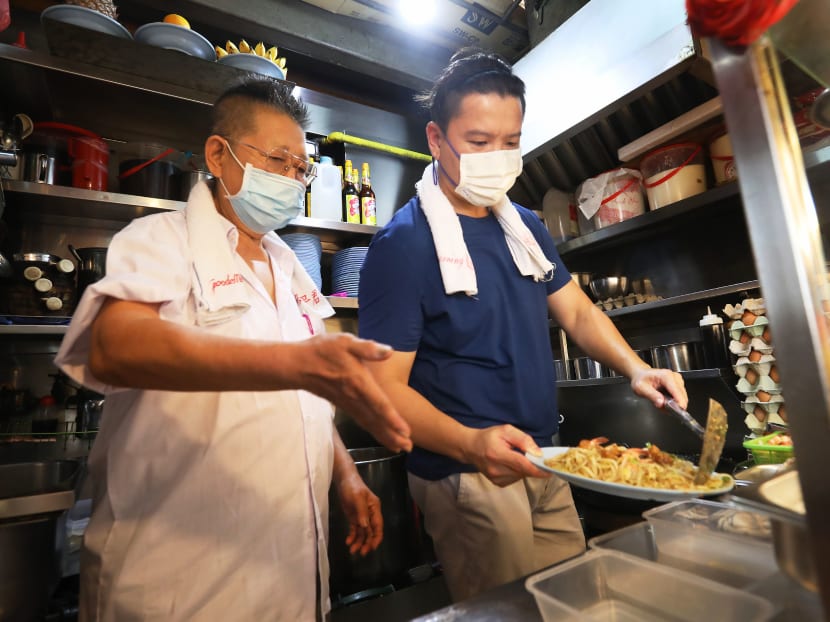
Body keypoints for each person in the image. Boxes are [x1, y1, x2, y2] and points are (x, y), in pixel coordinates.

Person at [55, 78, 412, 621]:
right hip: (179, 583)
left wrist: (345, 473)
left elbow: (308, 397)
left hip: (290, 575)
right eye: (277, 159)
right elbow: (112, 346)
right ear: (218, 155)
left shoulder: (289, 265)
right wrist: (291, 363)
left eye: (300, 169)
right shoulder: (159, 240)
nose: (291, 179)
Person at [357, 49, 688, 601]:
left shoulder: (525, 225)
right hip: (465, 474)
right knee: (508, 614)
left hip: (544, 456)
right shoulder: (405, 244)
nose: (498, 157)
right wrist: (470, 444)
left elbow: (577, 310)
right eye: (480, 142)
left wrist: (636, 368)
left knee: (571, 601)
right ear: (437, 140)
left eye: (510, 143)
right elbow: (380, 388)